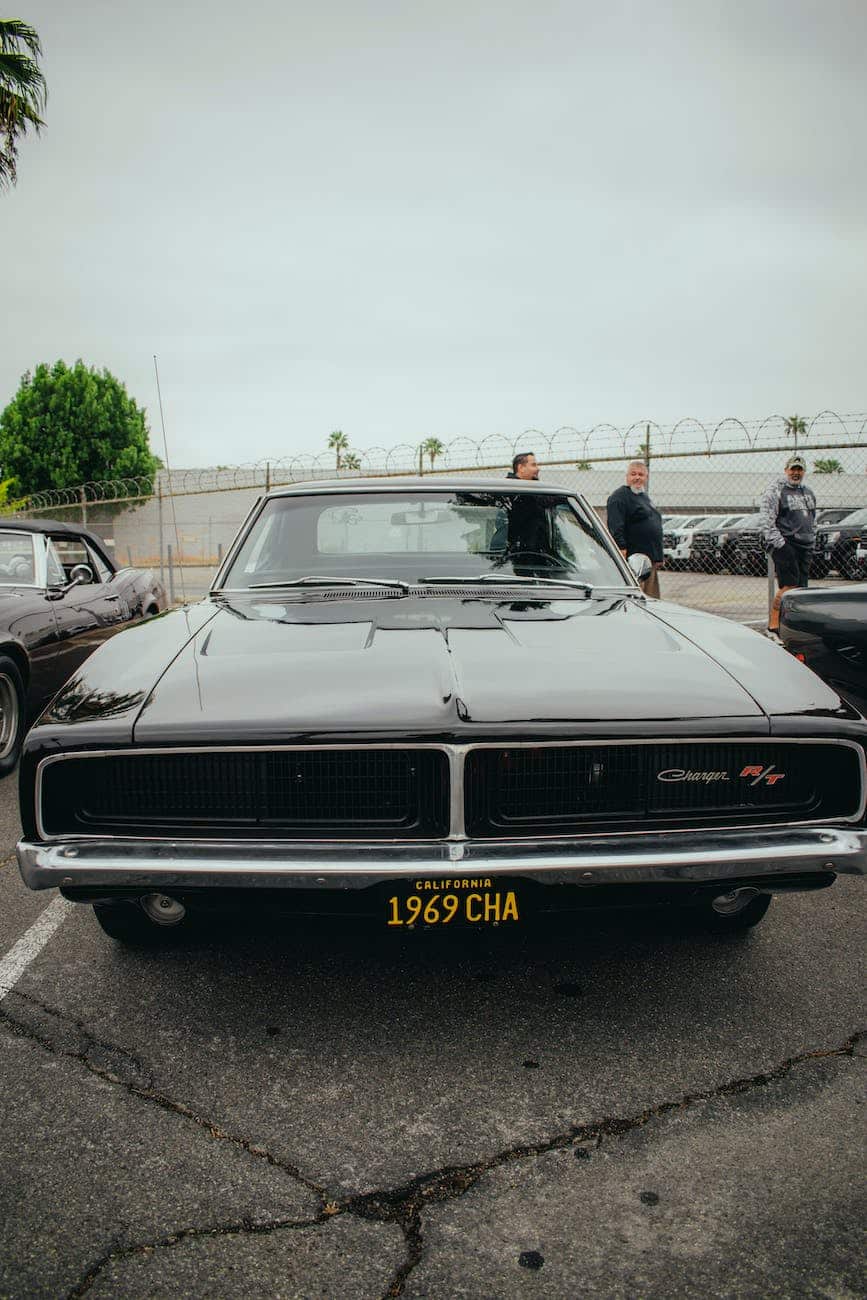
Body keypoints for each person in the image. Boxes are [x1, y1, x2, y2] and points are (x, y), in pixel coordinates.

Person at [759, 452, 817, 637]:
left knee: (801, 589)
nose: (796, 473)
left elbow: (812, 518)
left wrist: (811, 538)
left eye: (800, 469)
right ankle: (773, 626)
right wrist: (780, 544)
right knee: (788, 587)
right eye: (793, 469)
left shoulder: (808, 492)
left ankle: (794, 626)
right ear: (786, 470)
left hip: (805, 545)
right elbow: (767, 521)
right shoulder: (775, 491)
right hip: (785, 544)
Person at [605, 461, 663, 597]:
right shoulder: (619, 497)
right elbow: (615, 526)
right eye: (633, 474)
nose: (637, 477)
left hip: (649, 562)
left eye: (641, 475)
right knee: (635, 599)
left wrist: (658, 556)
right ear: (627, 477)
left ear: (646, 478)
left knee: (651, 600)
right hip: (634, 563)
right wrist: (621, 552)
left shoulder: (644, 498)